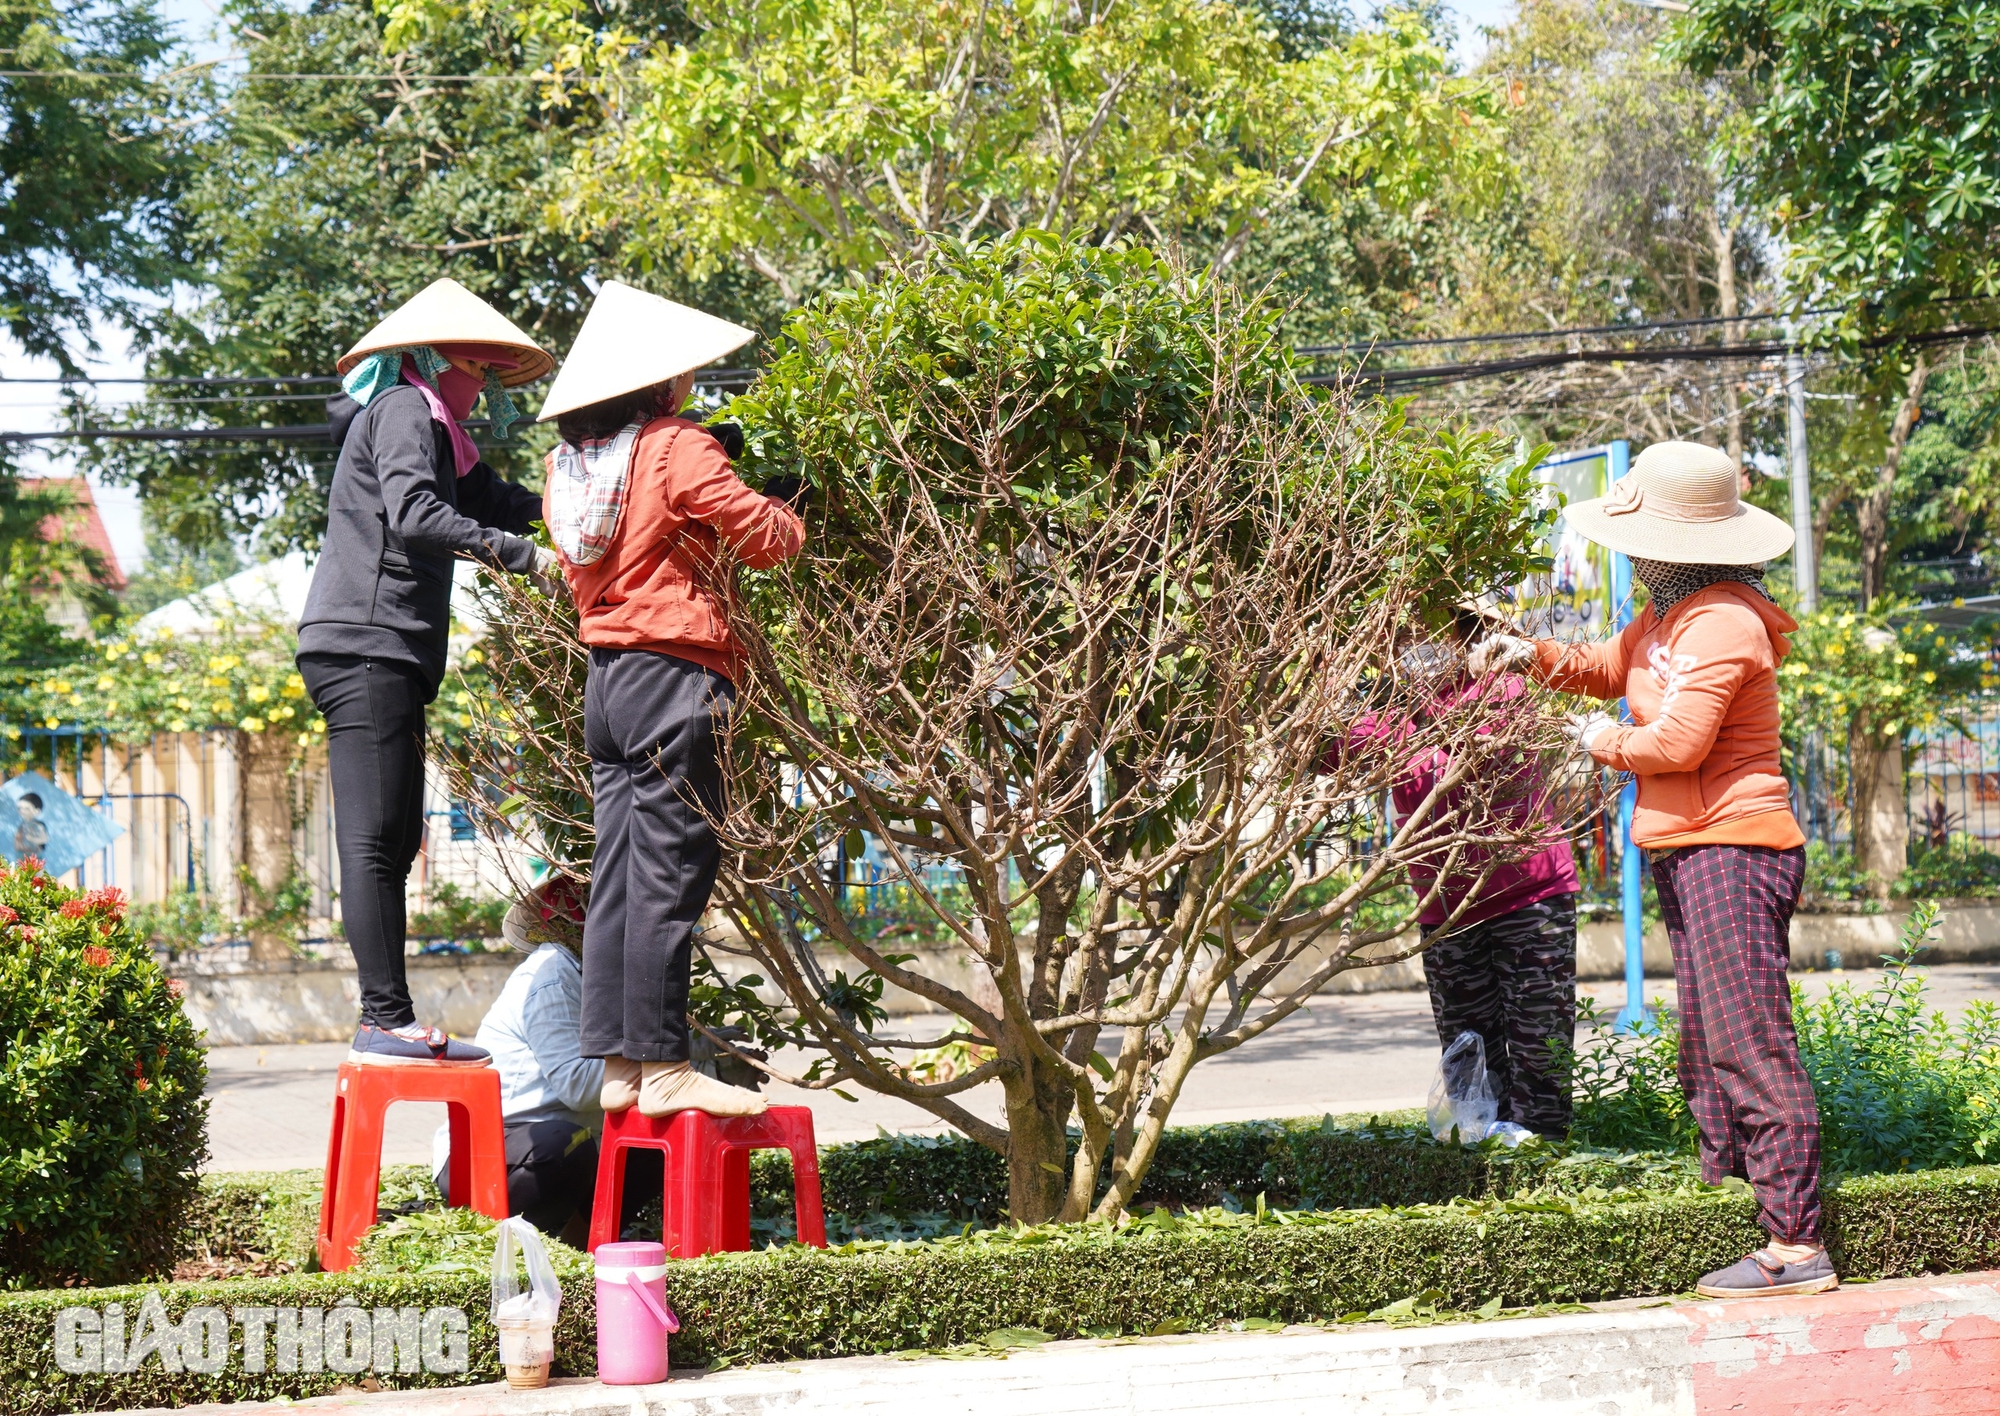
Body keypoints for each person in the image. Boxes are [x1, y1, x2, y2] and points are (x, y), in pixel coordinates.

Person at [1469, 439, 1831, 1299]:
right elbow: (1606, 668)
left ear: (1677, 541)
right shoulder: (1668, 616)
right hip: (1689, 846)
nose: (1627, 551)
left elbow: (1677, 743)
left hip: (1735, 846)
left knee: (1748, 1044)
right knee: (1705, 1049)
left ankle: (1797, 1246)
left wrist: (1598, 744)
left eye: (1638, 537)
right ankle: (1728, 1206)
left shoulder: (1725, 622)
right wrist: (1527, 653)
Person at [536, 282, 806, 1118]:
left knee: (619, 876)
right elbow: (764, 542)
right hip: (675, 675)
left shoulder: (570, 466)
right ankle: (663, 1069)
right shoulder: (675, 446)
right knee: (672, 872)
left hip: (608, 683)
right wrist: (790, 509)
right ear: (660, 379)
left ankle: (619, 1065)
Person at [298, 278, 562, 1066]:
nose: (484, 389)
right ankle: (384, 1018)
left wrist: (584, 509)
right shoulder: (407, 412)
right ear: (435, 359)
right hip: (365, 645)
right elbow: (417, 514)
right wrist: (528, 562)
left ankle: (389, 1016)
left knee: (397, 835)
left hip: (384, 649)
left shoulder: (441, 432)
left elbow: (501, 501)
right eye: (477, 370)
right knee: (376, 840)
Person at [1334, 605, 1582, 1139]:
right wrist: (1328, 679)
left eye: (1428, 633)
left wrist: (1478, 675)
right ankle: (1480, 1162)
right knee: (1468, 1057)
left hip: (1530, 899)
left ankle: (1542, 1170)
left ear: (1466, 637)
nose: (1414, 647)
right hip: (1447, 913)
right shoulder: (1395, 712)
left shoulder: (1503, 693)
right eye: (1403, 637)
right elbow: (1333, 749)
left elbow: (1475, 746)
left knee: (1540, 1055)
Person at [13, 792, 47, 862]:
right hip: (21, 855)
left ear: (37, 811)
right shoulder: (22, 825)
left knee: (35, 871)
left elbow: (44, 839)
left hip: (34, 856)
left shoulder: (38, 825)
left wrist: (31, 838)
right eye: (20, 808)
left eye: (27, 809)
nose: (22, 811)